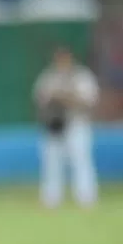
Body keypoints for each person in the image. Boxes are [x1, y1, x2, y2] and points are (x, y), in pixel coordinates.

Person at [33, 45, 100, 208]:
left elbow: (88, 101)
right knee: (52, 163)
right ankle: (51, 199)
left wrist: (64, 96)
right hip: (55, 125)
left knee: (81, 161)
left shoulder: (82, 77)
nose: (62, 61)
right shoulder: (49, 77)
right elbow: (39, 100)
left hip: (76, 123)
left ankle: (86, 198)